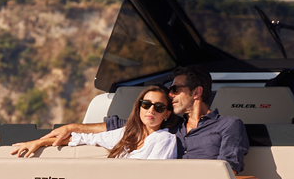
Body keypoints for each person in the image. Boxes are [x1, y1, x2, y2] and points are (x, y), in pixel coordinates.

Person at [26, 64, 249, 173]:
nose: (170, 95)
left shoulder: (229, 125)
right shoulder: (172, 125)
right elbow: (127, 126)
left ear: (197, 92)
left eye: (175, 90)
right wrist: (72, 126)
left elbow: (230, 169)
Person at [10, 85, 177, 160]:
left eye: (159, 107)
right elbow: (84, 138)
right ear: (139, 107)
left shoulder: (165, 139)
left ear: (167, 114)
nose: (151, 110)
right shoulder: (126, 134)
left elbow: (152, 176)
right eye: (146, 104)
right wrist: (39, 142)